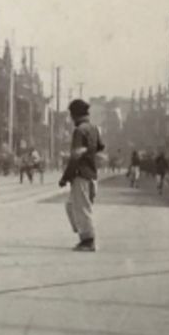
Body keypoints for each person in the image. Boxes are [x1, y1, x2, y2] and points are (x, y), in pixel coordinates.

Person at [59, 97, 103, 250]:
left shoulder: (79, 130)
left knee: (82, 209)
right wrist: (88, 151)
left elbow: (75, 156)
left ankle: (88, 241)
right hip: (91, 174)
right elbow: (100, 146)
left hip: (81, 174)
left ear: (75, 115)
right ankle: (84, 234)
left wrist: (65, 177)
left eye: (71, 114)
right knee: (71, 206)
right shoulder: (94, 128)